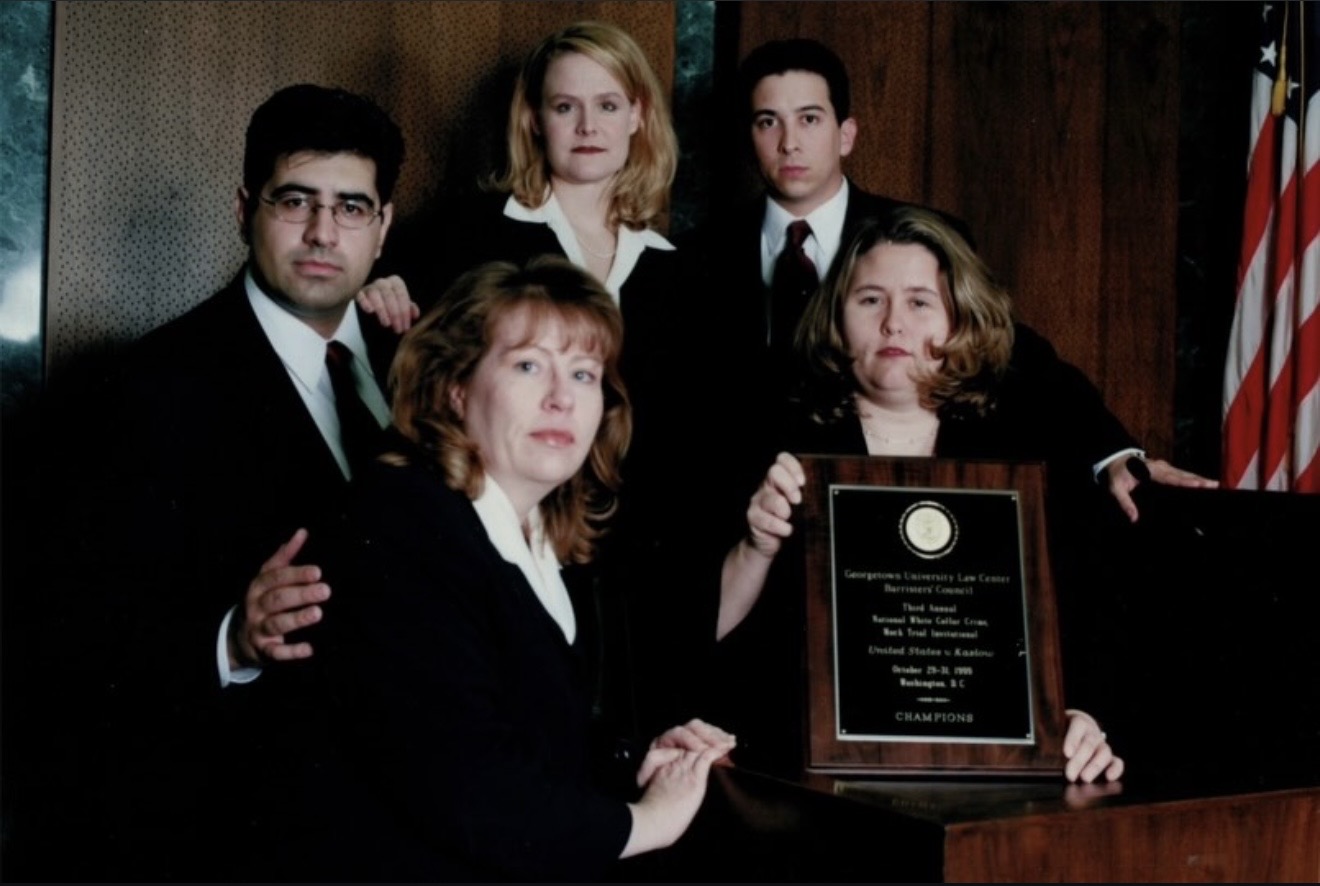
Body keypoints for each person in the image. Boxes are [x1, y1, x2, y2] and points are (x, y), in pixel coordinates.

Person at [53, 83, 413, 879]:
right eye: (296, 201)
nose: (324, 232)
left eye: (352, 207)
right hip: (248, 826)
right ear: (246, 205)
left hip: (422, 809)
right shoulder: (146, 389)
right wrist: (230, 640)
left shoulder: (427, 359)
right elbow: (83, 641)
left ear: (383, 227)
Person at [320, 255, 736, 881]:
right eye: (528, 365)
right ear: (455, 387)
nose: (561, 398)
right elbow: (466, 785)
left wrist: (643, 764)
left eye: (584, 374)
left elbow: (537, 742)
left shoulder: (548, 537)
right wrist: (646, 822)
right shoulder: (401, 520)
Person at [714, 207, 1157, 782]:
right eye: (870, 300)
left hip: (997, 766)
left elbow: (1097, 611)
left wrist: (1083, 716)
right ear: (837, 316)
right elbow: (705, 631)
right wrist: (757, 544)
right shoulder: (773, 443)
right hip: (808, 768)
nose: (894, 324)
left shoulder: (1025, 448)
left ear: (958, 318)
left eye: (920, 302)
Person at [689, 37, 1211, 524]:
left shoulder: (923, 237)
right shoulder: (697, 256)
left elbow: (1017, 354)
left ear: (845, 133)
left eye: (809, 119)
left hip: (890, 504)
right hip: (745, 513)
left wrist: (1114, 455)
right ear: (749, 135)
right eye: (767, 122)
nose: (789, 144)